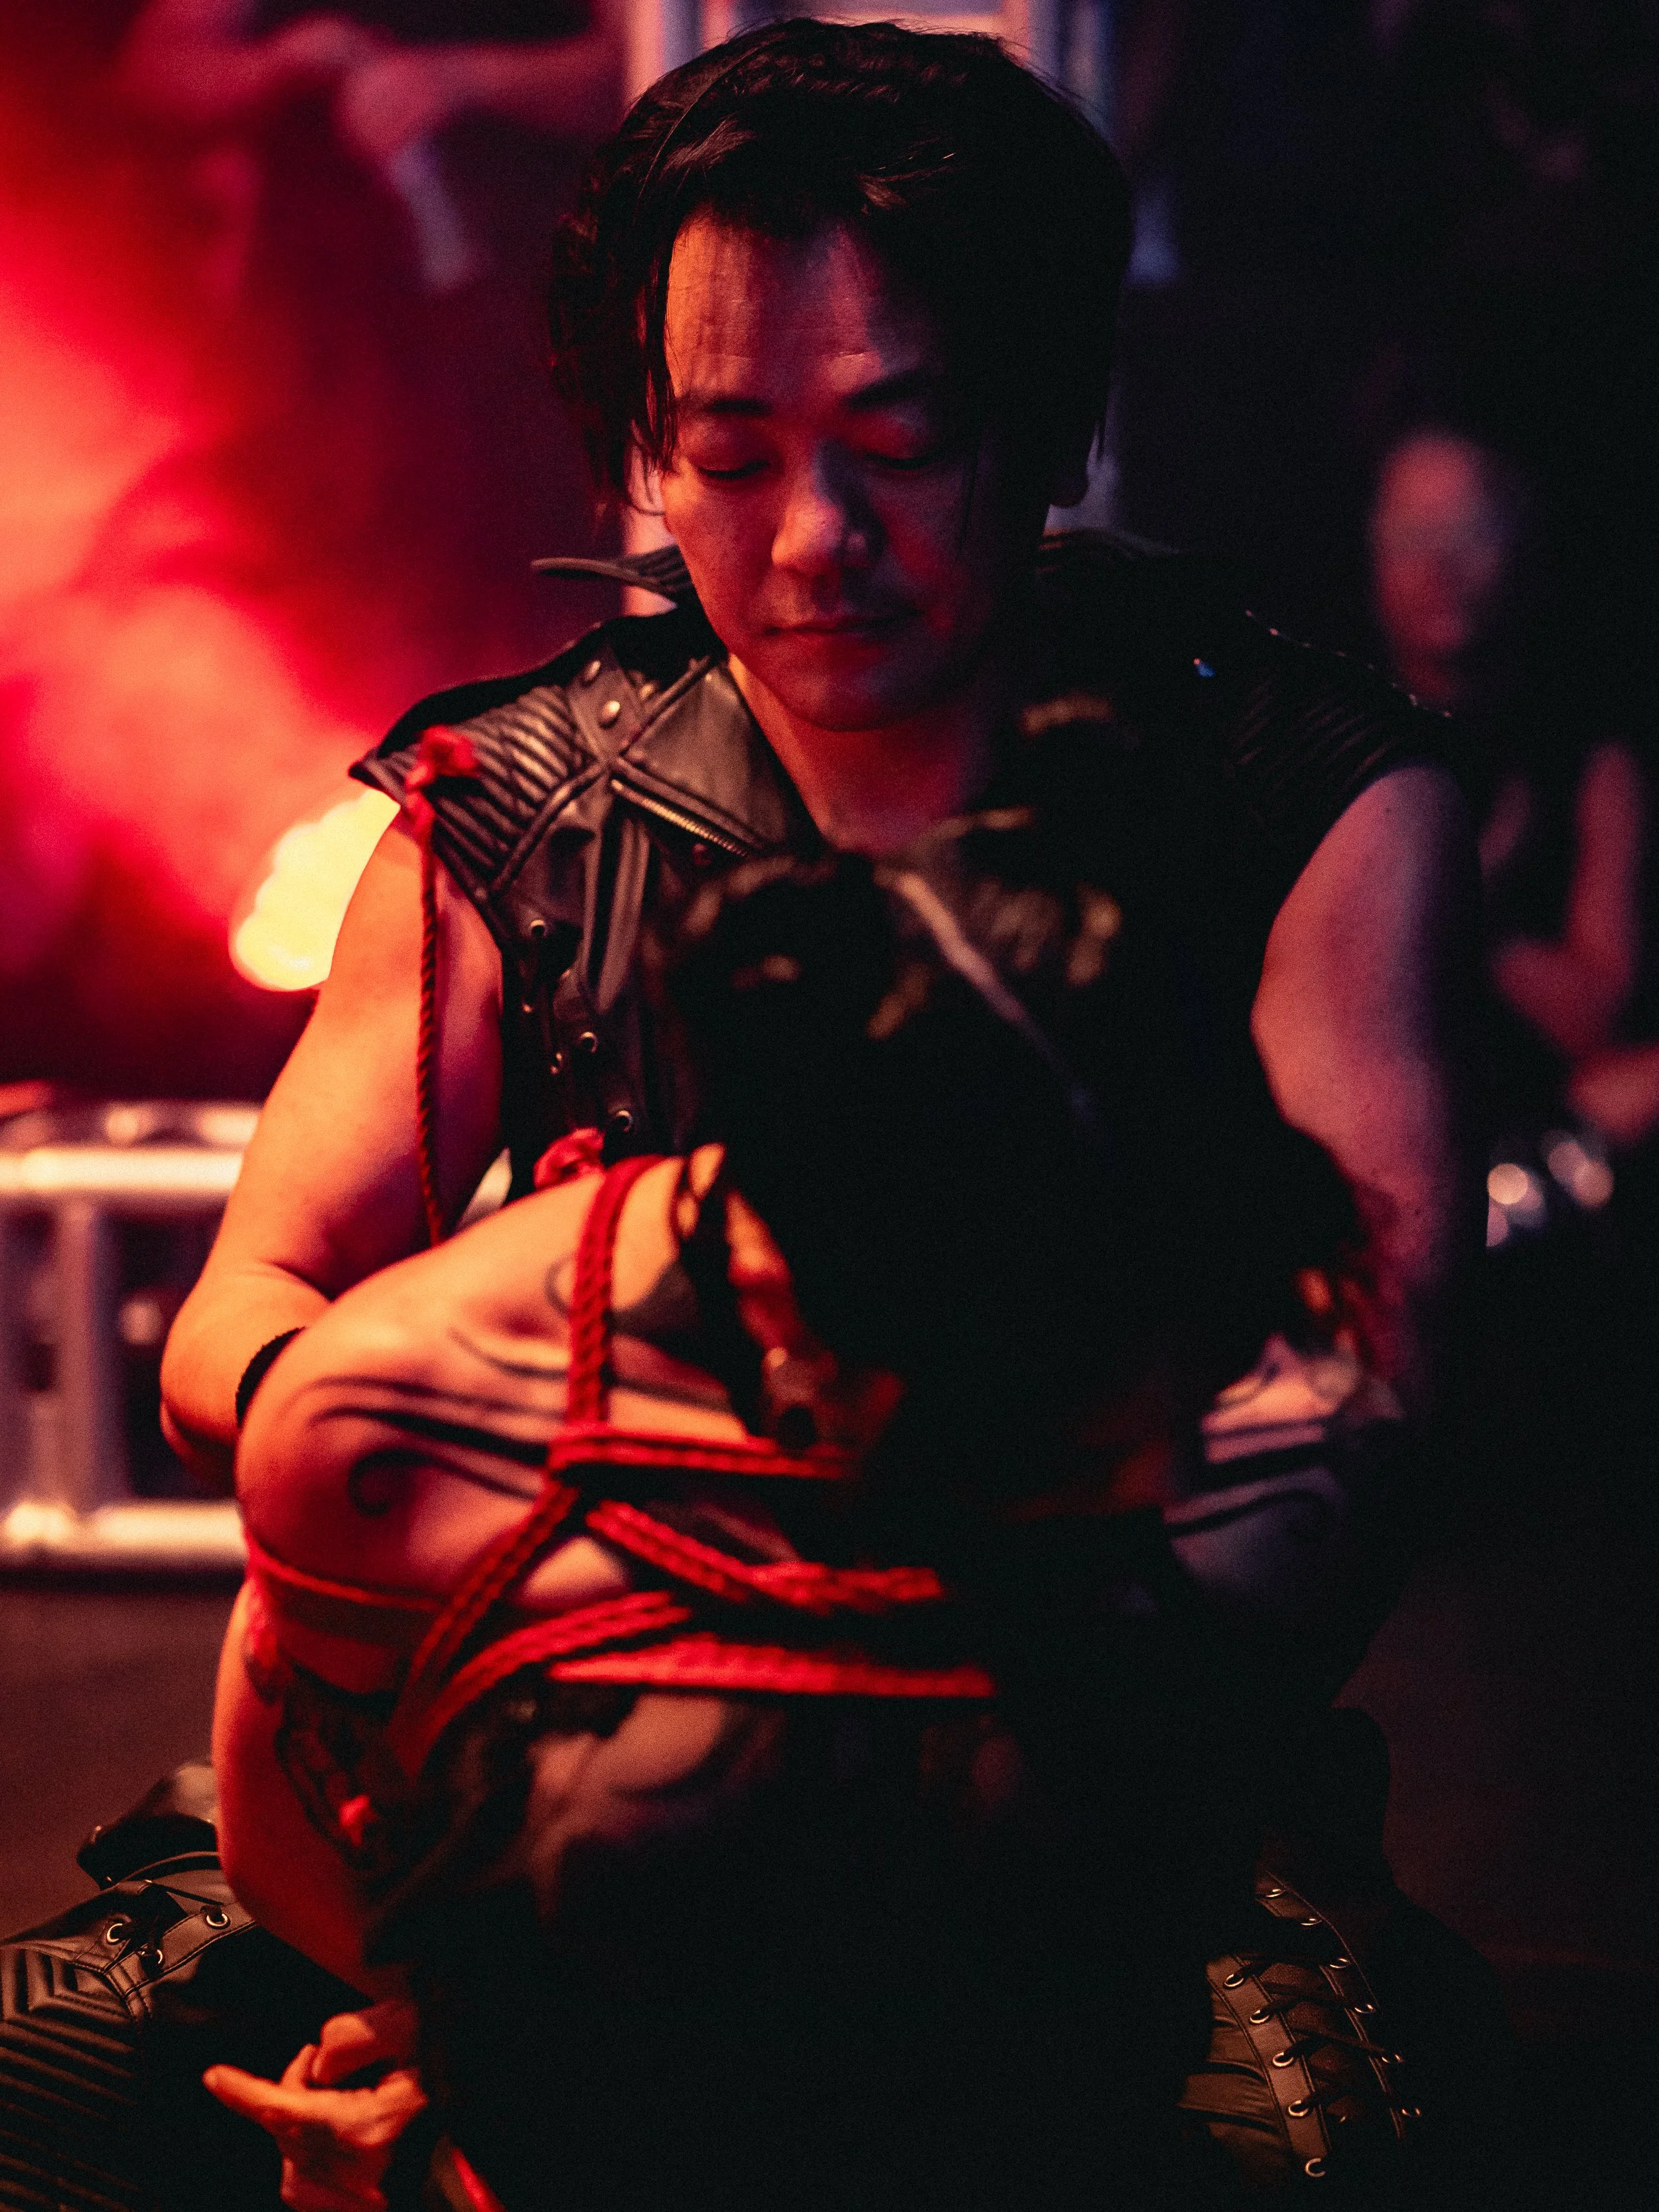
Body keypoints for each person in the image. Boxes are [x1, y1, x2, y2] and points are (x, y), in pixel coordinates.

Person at [160, 19, 1478, 1558]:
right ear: (642, 450)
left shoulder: (1299, 789)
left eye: (899, 444)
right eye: (729, 463)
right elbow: (238, 1317)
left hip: (1116, 1706)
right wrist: (435, 1457)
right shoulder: (501, 818)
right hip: (592, 1646)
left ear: (1057, 425)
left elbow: (1370, 1370)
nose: (811, 538)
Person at [196, 834, 1411, 2210]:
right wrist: (472, 2095)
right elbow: (289, 1843)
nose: (1162, 1471)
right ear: (787, 1319)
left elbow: (1128, 1898)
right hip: (572, 2042)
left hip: (1067, 2029)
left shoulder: (1282, 1428)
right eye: (1066, 1428)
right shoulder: (399, 1419)